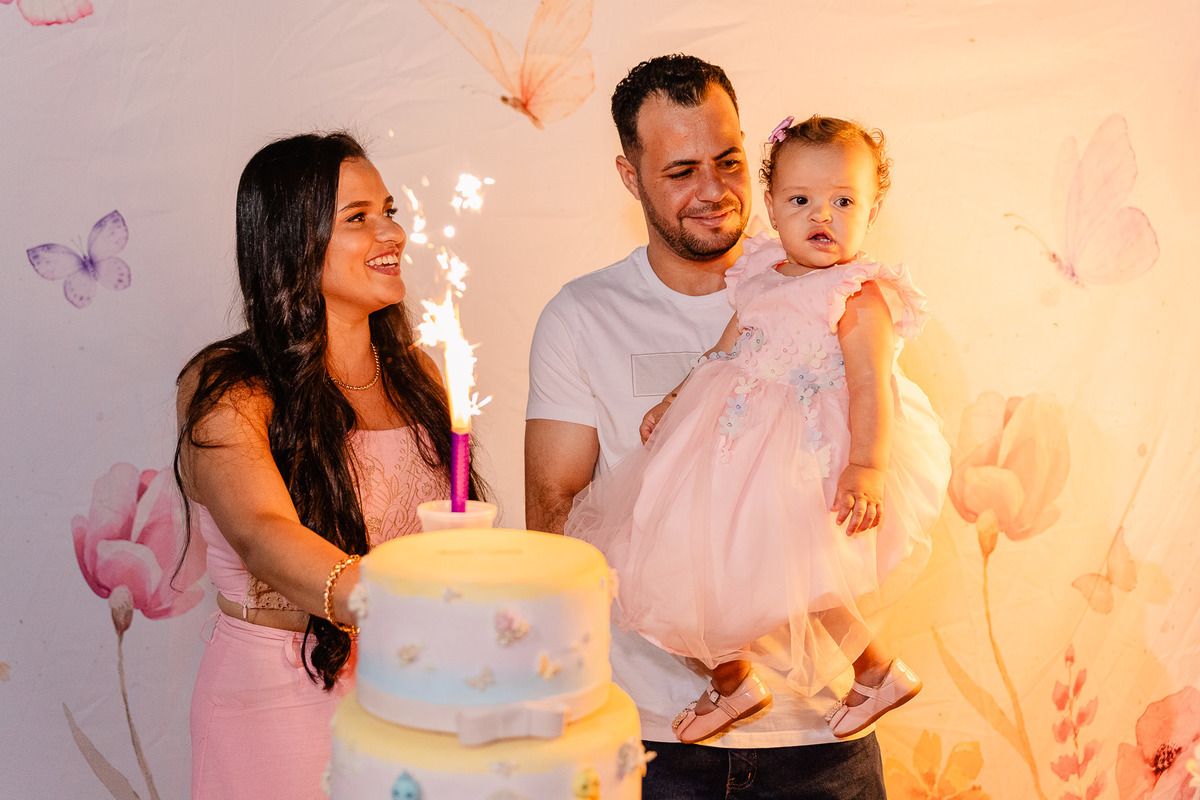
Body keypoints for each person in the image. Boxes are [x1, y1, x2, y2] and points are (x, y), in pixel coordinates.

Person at [526, 55, 889, 799]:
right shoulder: (581, 316)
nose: (714, 190)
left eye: (727, 161)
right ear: (630, 177)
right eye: (681, 170)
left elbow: (873, 445)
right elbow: (556, 517)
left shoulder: (836, 288)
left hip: (823, 739)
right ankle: (726, 679)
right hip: (655, 741)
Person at [567, 113, 951, 746]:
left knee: (806, 576)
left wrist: (867, 466)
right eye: (801, 200)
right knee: (677, 554)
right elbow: (726, 349)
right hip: (728, 443)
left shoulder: (857, 292)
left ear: (873, 210)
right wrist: (676, 398)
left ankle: (875, 671)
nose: (822, 215)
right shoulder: (760, 271)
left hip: (805, 454)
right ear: (770, 207)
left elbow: (872, 385)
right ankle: (734, 680)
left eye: (844, 201)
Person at [175, 132, 485, 800]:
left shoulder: (421, 376)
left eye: (389, 211)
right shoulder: (230, 384)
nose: (392, 233)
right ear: (292, 240)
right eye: (358, 217)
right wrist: (390, 602)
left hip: (411, 693)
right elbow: (261, 531)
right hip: (278, 703)